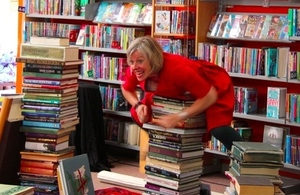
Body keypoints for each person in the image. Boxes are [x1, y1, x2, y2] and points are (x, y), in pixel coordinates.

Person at [121, 36, 243, 150]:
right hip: (174, 93)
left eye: (140, 61)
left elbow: (210, 96)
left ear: (153, 59)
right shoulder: (135, 69)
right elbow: (126, 88)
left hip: (212, 86)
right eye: (131, 62)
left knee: (218, 128)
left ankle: (250, 157)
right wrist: (137, 105)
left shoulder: (178, 69)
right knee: (140, 116)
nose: (134, 66)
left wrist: (179, 116)